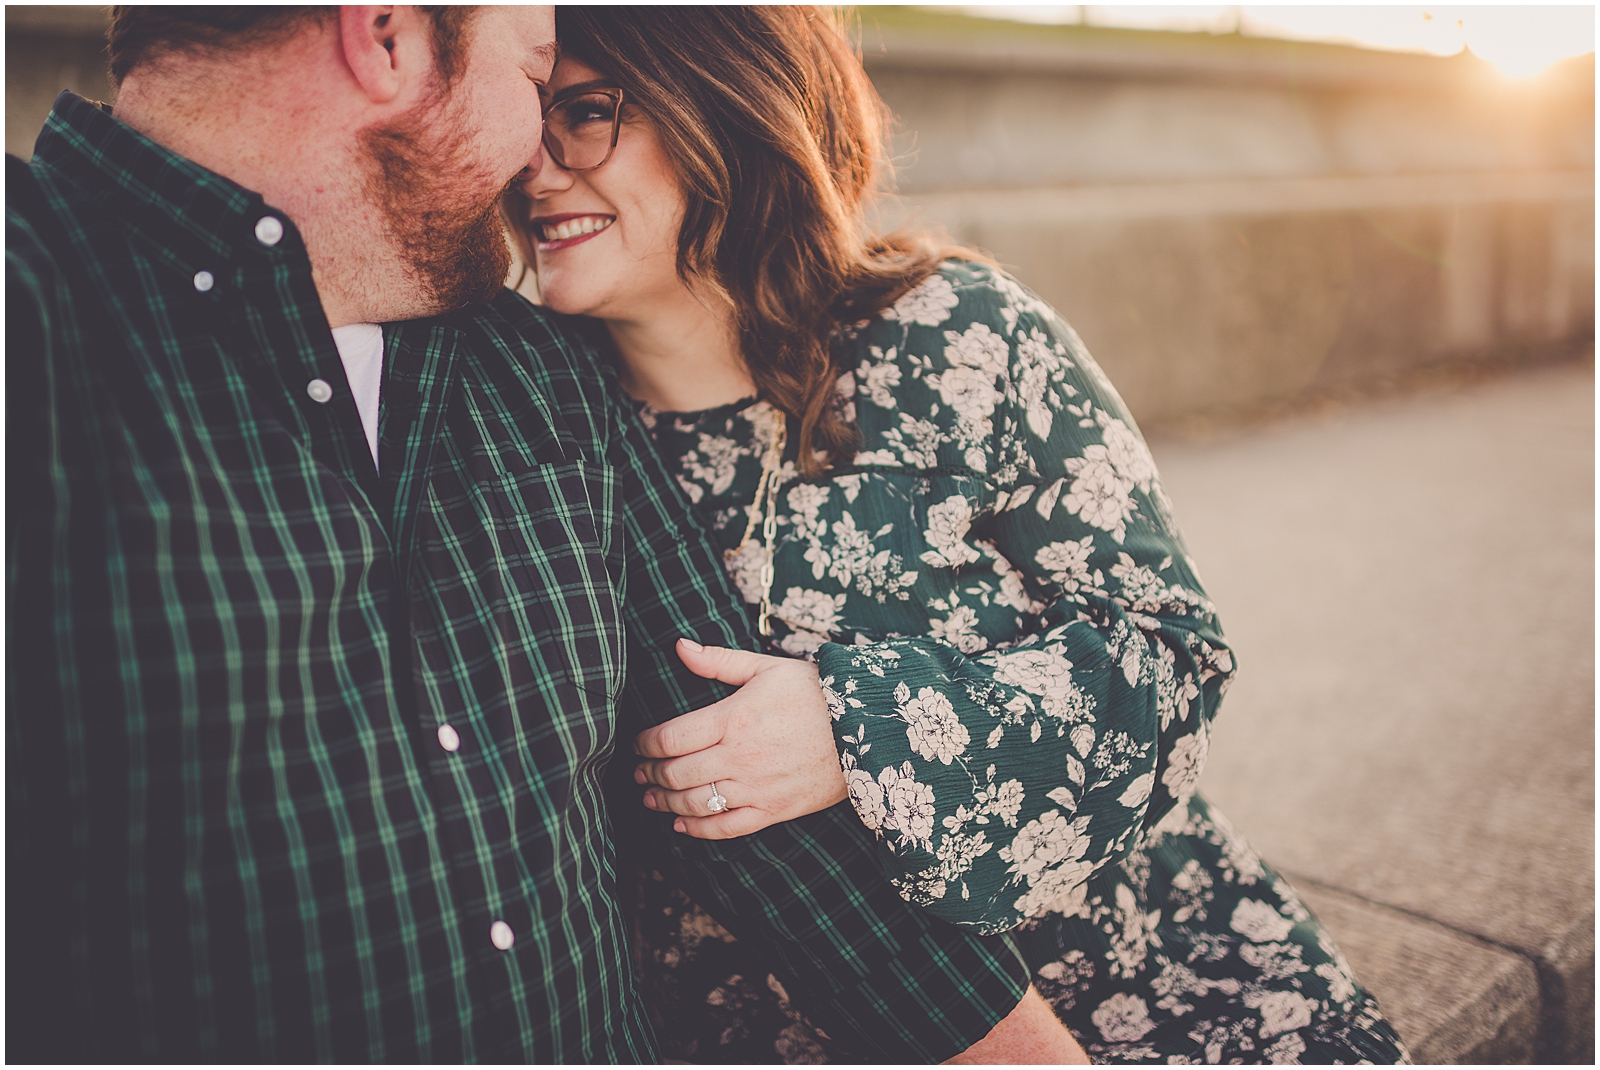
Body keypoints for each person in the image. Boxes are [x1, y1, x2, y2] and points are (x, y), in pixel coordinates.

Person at [7, 5, 1088, 1063]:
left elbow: (758, 817)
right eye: (532, 79)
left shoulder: (529, 362)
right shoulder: (35, 317)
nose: (538, 160)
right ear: (383, 37)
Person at [508, 6, 1413, 1064]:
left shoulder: (957, 334)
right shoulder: (531, 431)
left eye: (584, 113)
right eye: (526, 115)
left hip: (1139, 969)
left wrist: (858, 728)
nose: (534, 165)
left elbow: (1169, 657)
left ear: (725, 102)